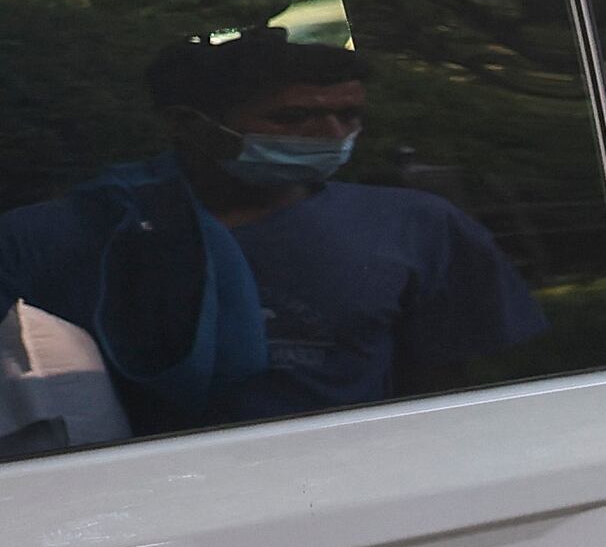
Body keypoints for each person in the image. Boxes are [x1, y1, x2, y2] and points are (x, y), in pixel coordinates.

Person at [0, 28, 540, 431]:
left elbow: (455, 394)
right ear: (187, 124)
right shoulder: (67, 236)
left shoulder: (416, 226)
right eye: (293, 118)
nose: (331, 134)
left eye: (349, 116)